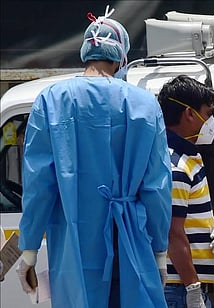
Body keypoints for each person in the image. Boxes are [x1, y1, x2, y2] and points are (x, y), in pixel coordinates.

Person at [16, 6, 172, 308]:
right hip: (130, 242)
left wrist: (29, 248)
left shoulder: (52, 100)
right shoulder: (144, 104)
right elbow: (157, 186)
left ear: (86, 51)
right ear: (121, 56)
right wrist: (160, 252)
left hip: (76, 244)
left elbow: (38, 184)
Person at [158, 75, 214, 308]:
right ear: (189, 113)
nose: (210, 123)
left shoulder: (188, 159)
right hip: (178, 288)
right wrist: (192, 288)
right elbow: (173, 232)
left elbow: (188, 215)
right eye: (208, 114)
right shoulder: (175, 166)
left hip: (184, 287)